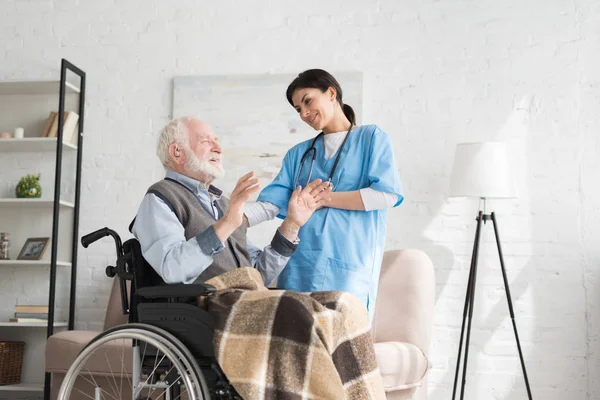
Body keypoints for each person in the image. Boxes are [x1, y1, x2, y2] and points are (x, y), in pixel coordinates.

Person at [246, 69, 403, 320]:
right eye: (298, 109)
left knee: (341, 347)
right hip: (299, 267)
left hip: (349, 267)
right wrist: (229, 220)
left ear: (331, 93)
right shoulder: (299, 154)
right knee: (295, 347)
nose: (304, 113)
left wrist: (322, 199)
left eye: (307, 101)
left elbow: (386, 195)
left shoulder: (371, 138)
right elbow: (270, 204)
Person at [131, 117, 331, 286]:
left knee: (340, 307)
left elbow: (259, 276)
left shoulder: (225, 205)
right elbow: (172, 269)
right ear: (177, 152)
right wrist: (227, 224)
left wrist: (292, 224)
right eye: (206, 142)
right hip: (210, 310)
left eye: (217, 141)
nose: (219, 148)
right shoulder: (160, 198)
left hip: (247, 303)